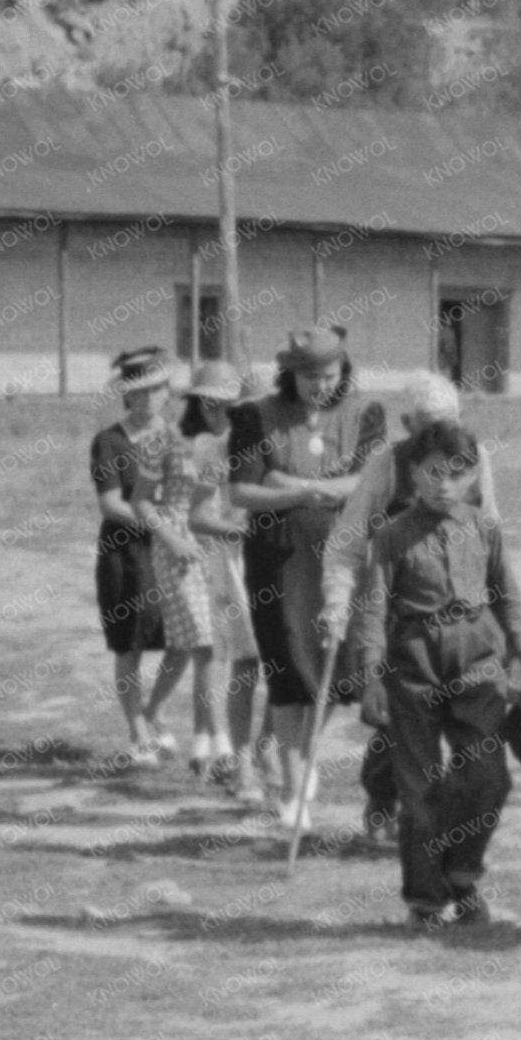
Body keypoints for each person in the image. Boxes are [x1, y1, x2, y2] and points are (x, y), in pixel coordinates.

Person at [361, 417, 521, 928]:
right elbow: (372, 611)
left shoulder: (484, 528)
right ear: (413, 473)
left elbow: (509, 595)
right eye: (433, 471)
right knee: (420, 788)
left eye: (457, 473)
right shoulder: (391, 538)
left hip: (478, 659)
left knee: (489, 778)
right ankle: (426, 899)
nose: (444, 483)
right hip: (413, 664)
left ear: (474, 476)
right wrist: (371, 676)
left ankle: (462, 873)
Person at [318, 372, 503, 842]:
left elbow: (489, 530)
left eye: (447, 423)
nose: (438, 439)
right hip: (402, 615)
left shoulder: (477, 457)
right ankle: (383, 800)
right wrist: (337, 604)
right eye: (425, 427)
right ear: (406, 424)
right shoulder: (387, 465)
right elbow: (346, 541)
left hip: (461, 619)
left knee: (465, 721)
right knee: (401, 723)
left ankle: (448, 824)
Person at [230, 327, 388, 835]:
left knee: (330, 671)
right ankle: (292, 791)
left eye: (328, 375)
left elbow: (369, 484)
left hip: (343, 561)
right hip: (277, 562)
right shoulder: (254, 417)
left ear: (343, 372)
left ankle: (304, 755)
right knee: (287, 670)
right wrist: (314, 493)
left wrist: (293, 484)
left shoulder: (367, 415)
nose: (318, 385)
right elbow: (243, 492)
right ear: (289, 375)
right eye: (307, 377)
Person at [88, 346, 198, 767]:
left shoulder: (176, 438)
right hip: (126, 556)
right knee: (129, 646)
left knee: (185, 638)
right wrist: (162, 527)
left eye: (158, 389)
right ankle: (137, 734)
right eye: (141, 392)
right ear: (127, 396)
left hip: (174, 555)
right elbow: (112, 505)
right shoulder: (109, 442)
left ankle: (155, 711)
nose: (151, 398)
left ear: (167, 392)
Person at [177, 361, 266, 801]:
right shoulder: (215, 450)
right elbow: (196, 517)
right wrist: (240, 531)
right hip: (235, 566)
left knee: (286, 666)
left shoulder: (283, 445)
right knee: (245, 664)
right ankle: (242, 764)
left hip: (284, 563)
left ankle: (266, 753)